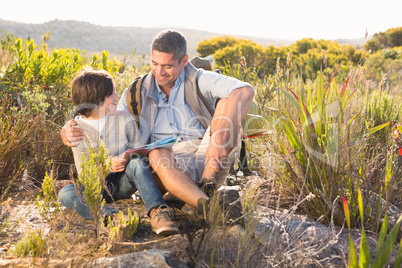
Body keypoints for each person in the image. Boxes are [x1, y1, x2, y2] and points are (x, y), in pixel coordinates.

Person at [61, 29, 255, 219]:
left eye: (168, 66)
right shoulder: (135, 92)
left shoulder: (199, 79)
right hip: (163, 168)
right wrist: (69, 129)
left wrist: (217, 140)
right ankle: (207, 205)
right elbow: (105, 119)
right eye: (154, 63)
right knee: (157, 154)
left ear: (184, 61)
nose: (159, 72)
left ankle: (206, 186)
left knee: (227, 111)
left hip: (209, 159)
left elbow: (244, 91)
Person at [58, 69, 179, 236]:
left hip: (122, 183)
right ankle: (111, 217)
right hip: (93, 189)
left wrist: (156, 149)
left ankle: (158, 213)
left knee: (137, 163)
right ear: (96, 99)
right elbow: (85, 175)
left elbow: (139, 150)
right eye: (111, 93)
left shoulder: (123, 118)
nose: (117, 96)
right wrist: (108, 164)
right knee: (65, 193)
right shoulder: (76, 130)